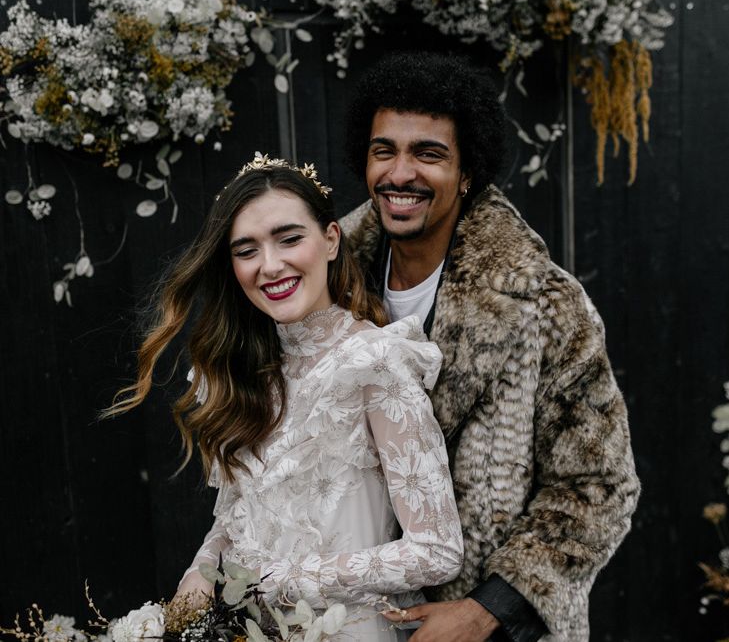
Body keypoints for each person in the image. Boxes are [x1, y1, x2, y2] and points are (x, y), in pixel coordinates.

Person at [339, 51, 641, 642]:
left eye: (428, 153)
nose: (400, 174)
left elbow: (599, 485)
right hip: (353, 616)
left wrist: (485, 611)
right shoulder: (326, 285)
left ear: (469, 172)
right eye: (384, 151)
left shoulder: (542, 302)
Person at [106, 153, 464, 641]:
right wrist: (202, 569)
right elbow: (239, 518)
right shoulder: (239, 373)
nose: (270, 266)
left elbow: (437, 549)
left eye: (289, 239)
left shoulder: (375, 363)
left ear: (331, 240)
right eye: (246, 250)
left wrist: (277, 584)